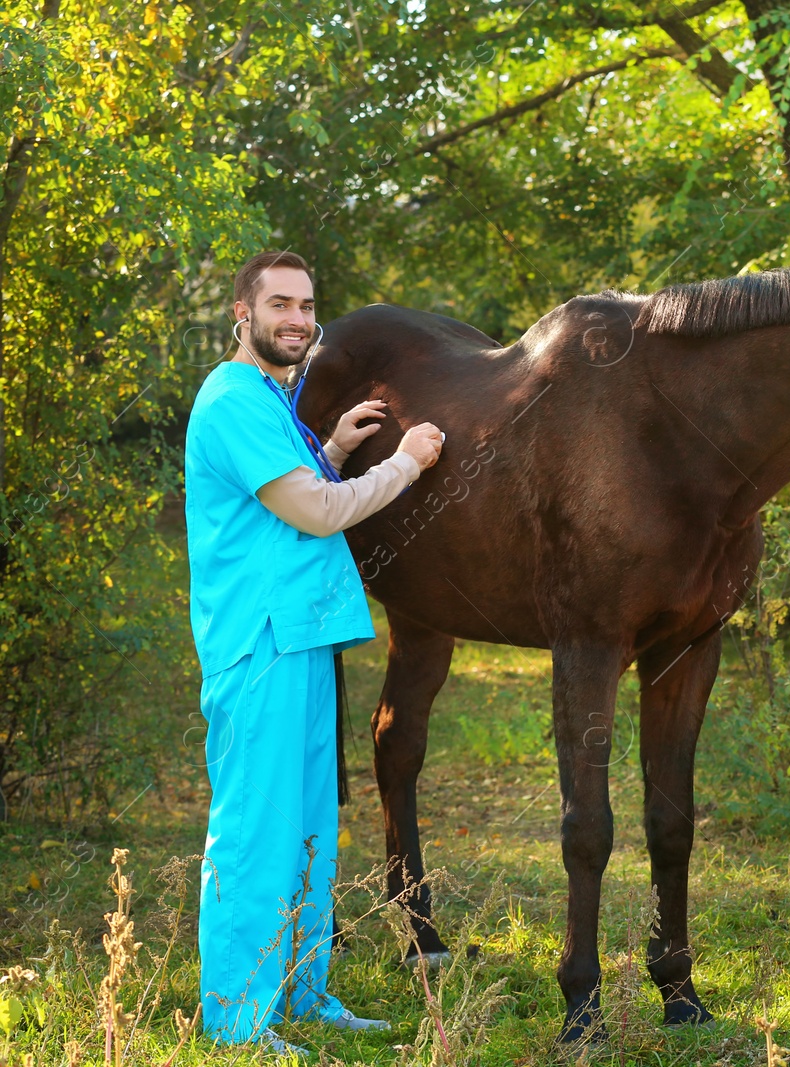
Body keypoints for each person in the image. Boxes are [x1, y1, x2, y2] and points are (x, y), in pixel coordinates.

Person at [185, 250, 445, 1056]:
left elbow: (284, 496)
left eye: (306, 304)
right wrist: (406, 462)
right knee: (256, 832)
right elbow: (317, 512)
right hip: (256, 641)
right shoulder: (230, 399)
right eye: (280, 303)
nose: (296, 317)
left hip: (299, 633)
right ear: (243, 313)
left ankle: (301, 992)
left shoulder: (269, 397)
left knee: (305, 830)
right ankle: (236, 1021)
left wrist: (329, 444)